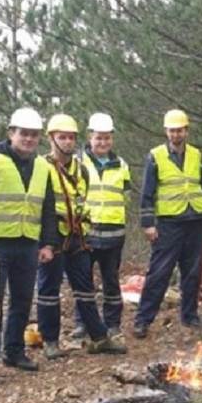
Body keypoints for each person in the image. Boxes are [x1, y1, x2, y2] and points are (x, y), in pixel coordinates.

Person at [0, 108, 57, 385]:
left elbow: (48, 209)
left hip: (27, 243)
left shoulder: (42, 166)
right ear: (11, 133)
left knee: (22, 301)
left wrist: (48, 243)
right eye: (23, 134)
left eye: (33, 135)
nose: (28, 139)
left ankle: (14, 351)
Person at [36, 114, 127, 359]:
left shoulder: (80, 169)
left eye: (70, 138)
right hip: (52, 235)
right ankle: (51, 341)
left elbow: (81, 201)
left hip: (78, 236)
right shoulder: (42, 167)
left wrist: (84, 231)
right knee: (48, 290)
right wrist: (44, 241)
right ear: (51, 139)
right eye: (62, 137)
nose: (67, 142)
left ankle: (99, 337)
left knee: (85, 288)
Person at [132, 110, 202, 339]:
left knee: (193, 273)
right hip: (169, 223)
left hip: (195, 220)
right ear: (166, 131)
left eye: (180, 130)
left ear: (186, 131)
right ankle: (143, 320)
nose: (176, 134)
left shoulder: (196, 155)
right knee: (159, 273)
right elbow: (147, 193)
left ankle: (190, 315)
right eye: (172, 130)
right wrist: (148, 223)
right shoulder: (155, 156)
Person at [71, 113, 131, 340]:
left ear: (112, 138)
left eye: (107, 138)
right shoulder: (78, 162)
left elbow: (124, 196)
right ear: (90, 137)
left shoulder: (122, 165)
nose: (103, 142)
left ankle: (113, 323)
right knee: (83, 280)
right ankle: (82, 323)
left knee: (111, 281)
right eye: (99, 138)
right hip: (86, 233)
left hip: (114, 234)